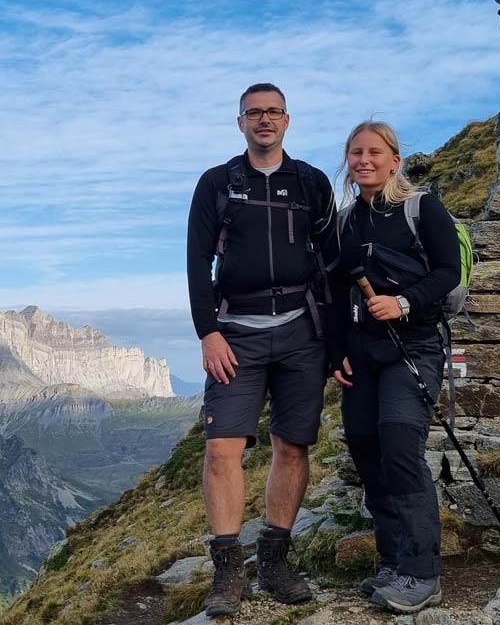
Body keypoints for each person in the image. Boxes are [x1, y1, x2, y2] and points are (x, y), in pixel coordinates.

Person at [185, 83, 340, 617]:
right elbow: (196, 261)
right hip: (235, 333)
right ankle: (229, 573)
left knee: (292, 446)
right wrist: (208, 332)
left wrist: (337, 341)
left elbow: (333, 263)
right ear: (241, 122)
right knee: (222, 449)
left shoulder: (312, 182)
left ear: (288, 120)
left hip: (303, 331)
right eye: (255, 113)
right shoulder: (216, 183)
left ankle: (275, 560)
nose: (264, 120)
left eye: (273, 112)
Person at [328, 120, 460, 614]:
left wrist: (402, 302)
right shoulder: (344, 222)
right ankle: (391, 561)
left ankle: (422, 573)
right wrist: (335, 350)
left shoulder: (421, 208)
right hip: (361, 355)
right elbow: (336, 293)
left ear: (394, 160)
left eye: (375, 152)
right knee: (367, 452)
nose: (365, 160)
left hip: (415, 347)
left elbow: (448, 271)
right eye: (356, 153)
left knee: (401, 449)